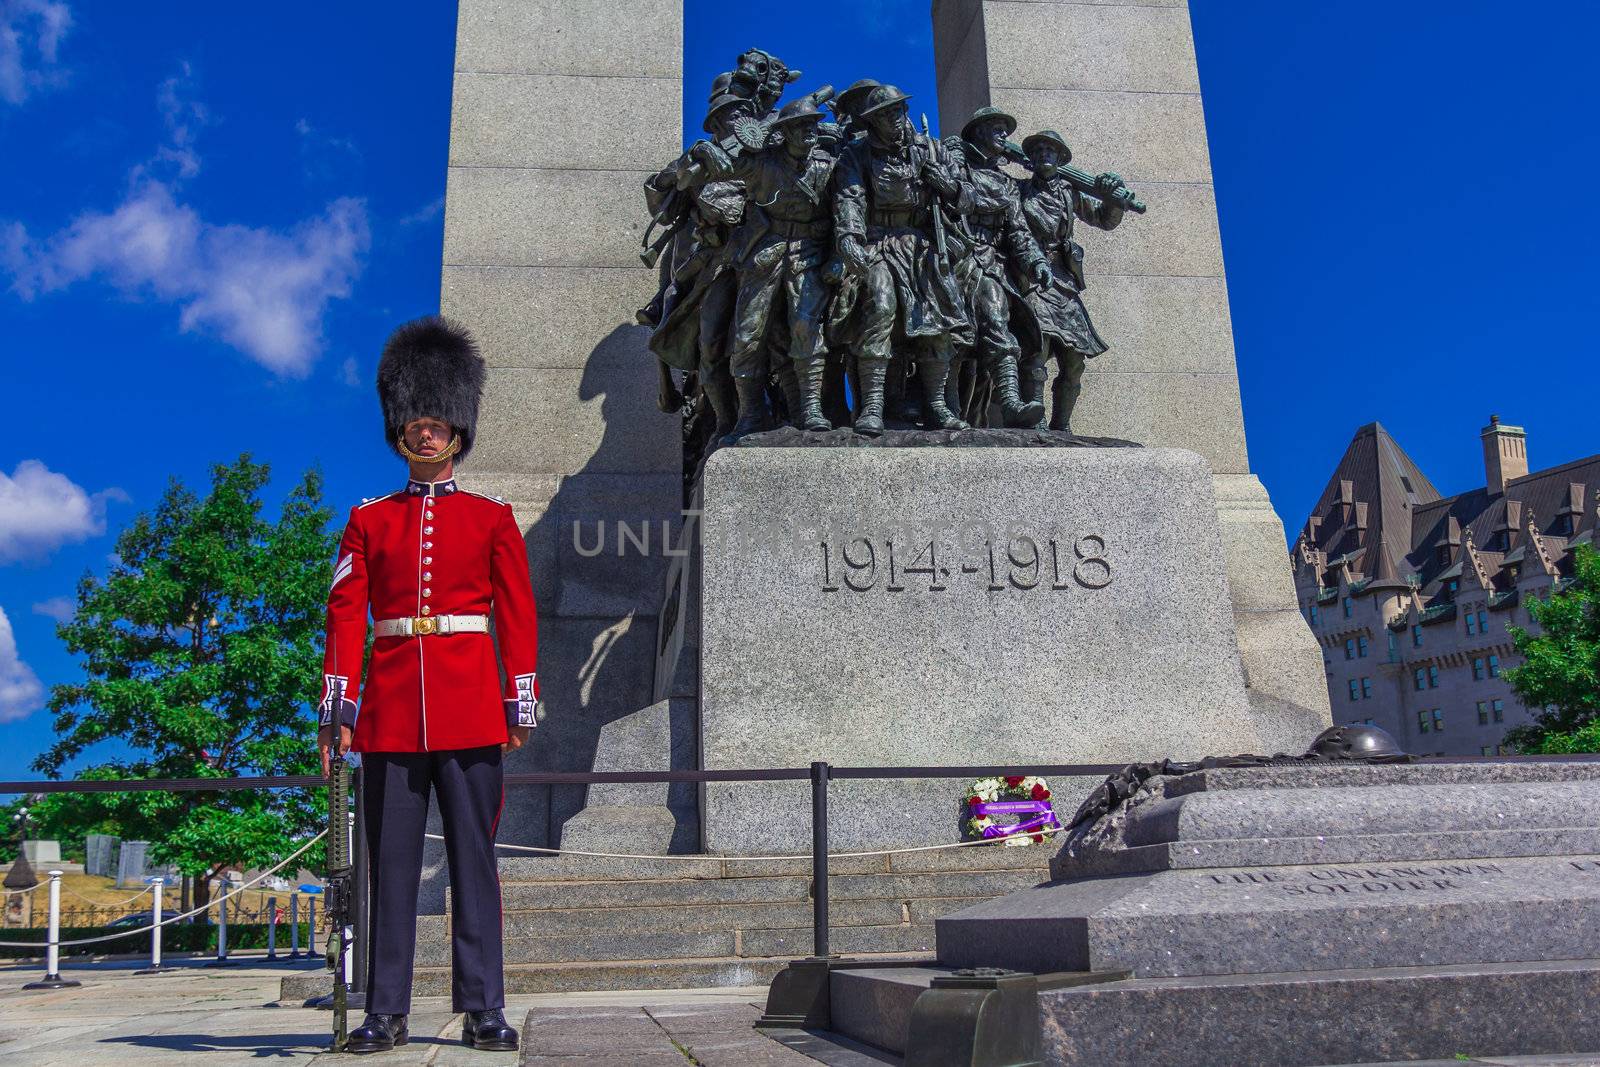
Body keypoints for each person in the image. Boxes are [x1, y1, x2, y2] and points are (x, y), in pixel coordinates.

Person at [318, 316, 539, 1055]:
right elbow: (346, 615)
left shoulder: (493, 519)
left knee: (474, 861)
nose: (425, 428)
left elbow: (517, 613)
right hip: (386, 718)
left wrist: (521, 700)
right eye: (414, 416)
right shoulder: (367, 521)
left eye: (437, 416)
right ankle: (385, 1009)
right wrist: (338, 710)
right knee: (388, 870)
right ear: (399, 426)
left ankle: (483, 1006)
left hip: (473, 707)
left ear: (458, 426)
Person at [830, 85, 974, 434]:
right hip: (878, 243)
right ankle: (874, 405)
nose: (894, 119)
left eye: (898, 111)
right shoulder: (857, 154)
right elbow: (850, 198)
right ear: (872, 122)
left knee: (937, 324)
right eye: (884, 114)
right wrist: (849, 237)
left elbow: (967, 200)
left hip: (923, 247)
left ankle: (937, 405)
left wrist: (948, 186)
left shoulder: (931, 149)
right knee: (879, 307)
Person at [1014, 129, 1128, 431]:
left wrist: (1114, 196)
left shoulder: (1069, 193)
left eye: (1049, 150)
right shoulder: (1019, 191)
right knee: (1035, 349)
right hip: (1030, 277)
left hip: (1063, 280)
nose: (1043, 154)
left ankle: (1061, 426)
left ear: (1060, 157)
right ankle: (1034, 424)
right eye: (1037, 150)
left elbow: (1104, 219)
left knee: (1075, 358)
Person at [949, 107, 1052, 427]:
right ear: (978, 133)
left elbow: (1018, 232)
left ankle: (1009, 403)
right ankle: (944, 408)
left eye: (1005, 130)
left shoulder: (1008, 185)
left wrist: (1036, 262)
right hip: (954, 257)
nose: (1004, 136)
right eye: (996, 129)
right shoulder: (956, 167)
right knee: (949, 337)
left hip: (990, 262)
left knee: (998, 320)